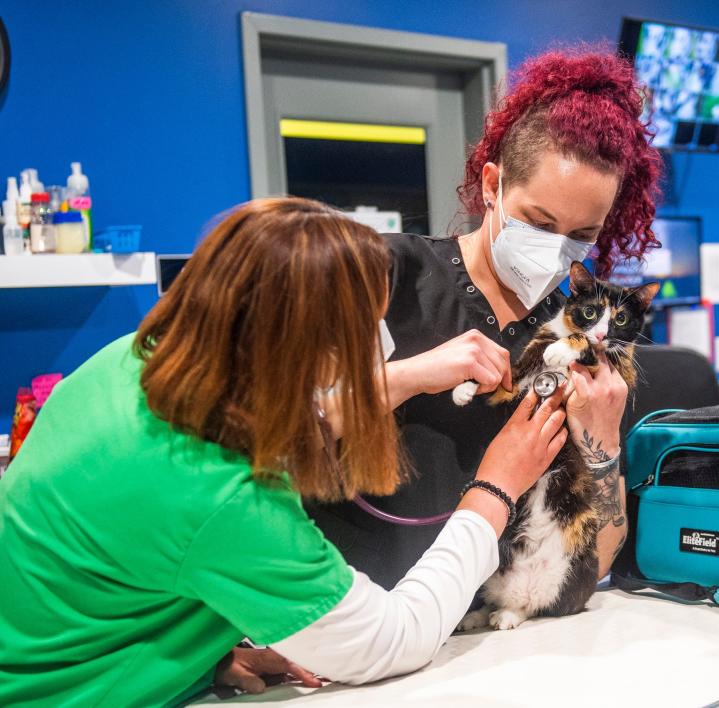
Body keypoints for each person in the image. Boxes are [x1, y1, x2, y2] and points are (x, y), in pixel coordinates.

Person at [0, 198, 569, 706]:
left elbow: (106, 573)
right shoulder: (224, 496)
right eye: (365, 332)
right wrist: (495, 488)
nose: (380, 346)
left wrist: (196, 649)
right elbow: (391, 639)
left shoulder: (133, 362)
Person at [309, 48, 661, 589]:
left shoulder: (571, 335)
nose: (553, 250)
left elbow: (595, 563)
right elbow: (280, 435)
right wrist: (410, 374)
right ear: (493, 186)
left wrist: (604, 443)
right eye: (538, 222)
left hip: (489, 627)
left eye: (581, 236)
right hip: (356, 615)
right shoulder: (384, 274)